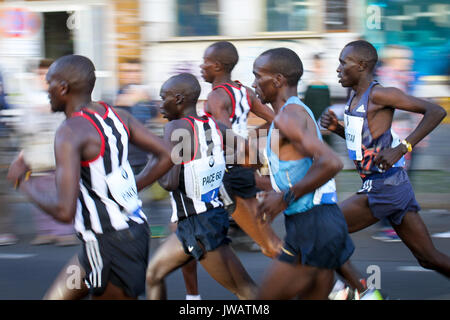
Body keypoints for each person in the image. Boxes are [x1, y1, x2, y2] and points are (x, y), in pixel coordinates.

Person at [7, 54, 173, 299]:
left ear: (63, 88)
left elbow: (64, 211)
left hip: (109, 245)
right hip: (110, 241)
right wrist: (131, 187)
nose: (46, 90)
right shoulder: (116, 115)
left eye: (50, 83)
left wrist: (23, 181)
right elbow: (167, 154)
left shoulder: (70, 131)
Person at [320, 40, 450, 278]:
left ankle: (358, 291)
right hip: (390, 185)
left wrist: (402, 148)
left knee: (324, 229)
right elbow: (361, 142)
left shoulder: (380, 94)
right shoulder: (354, 97)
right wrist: (338, 128)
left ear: (360, 65)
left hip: (384, 186)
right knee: (428, 258)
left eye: (342, 63)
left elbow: (436, 111)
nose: (338, 69)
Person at [252, 48, 355, 300]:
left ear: (277, 80)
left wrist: (284, 197)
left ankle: (364, 293)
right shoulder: (294, 112)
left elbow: (331, 162)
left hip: (314, 226)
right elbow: (293, 172)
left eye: (257, 76)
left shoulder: (289, 117)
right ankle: (363, 292)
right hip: (316, 224)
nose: (254, 84)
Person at [145, 73, 257, 300]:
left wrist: (154, 159)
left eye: (163, 97)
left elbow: (169, 182)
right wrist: (218, 168)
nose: (159, 104)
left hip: (199, 226)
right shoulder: (213, 124)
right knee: (154, 273)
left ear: (177, 99)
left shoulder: (175, 128)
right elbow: (253, 156)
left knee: (245, 290)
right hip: (205, 219)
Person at [200, 41, 282, 259]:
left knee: (269, 243)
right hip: (240, 166)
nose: (201, 67)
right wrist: (252, 141)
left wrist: (250, 152)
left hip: (227, 170)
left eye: (205, 62)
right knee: (265, 240)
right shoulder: (244, 91)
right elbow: (278, 120)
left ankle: (324, 286)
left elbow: (225, 135)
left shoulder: (216, 96)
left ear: (217, 66)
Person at [21, 59, 78, 246]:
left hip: (58, 153)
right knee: (40, 192)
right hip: (37, 156)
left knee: (61, 192)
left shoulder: (62, 97)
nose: (42, 79)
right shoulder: (29, 99)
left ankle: (64, 231)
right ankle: (45, 231)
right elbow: (25, 126)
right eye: (40, 75)